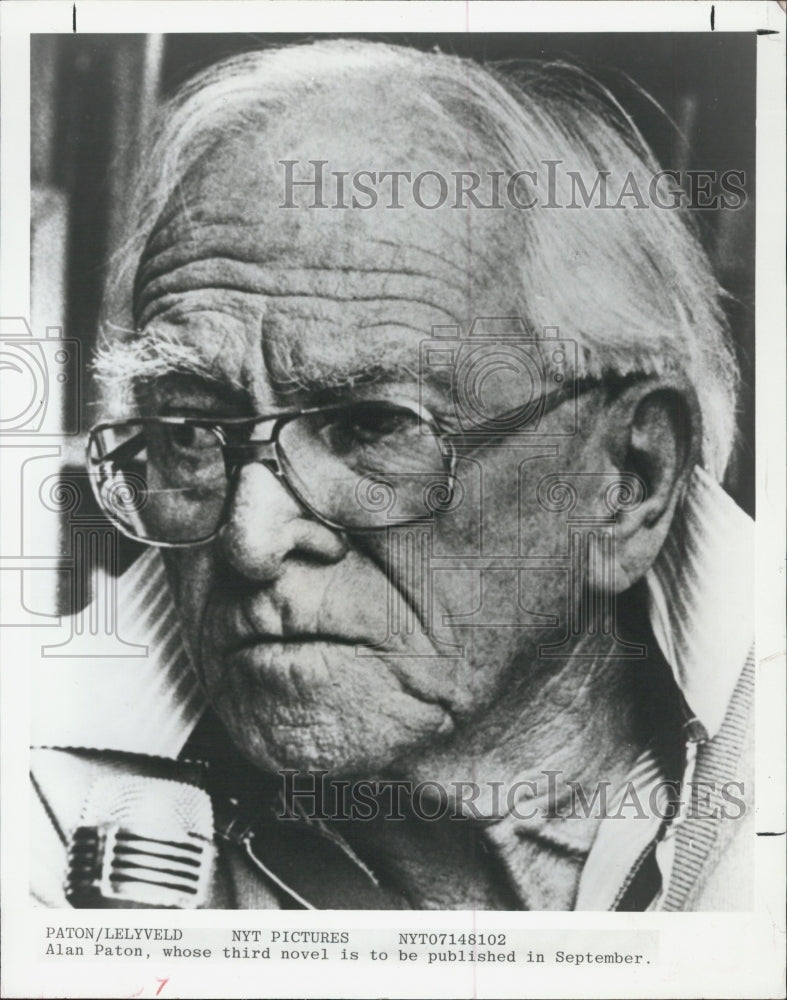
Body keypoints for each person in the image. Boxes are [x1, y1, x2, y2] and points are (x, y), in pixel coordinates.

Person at [30, 38, 753, 911]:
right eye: (192, 428)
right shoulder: (27, 757)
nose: (249, 541)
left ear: (626, 481)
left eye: (373, 426)